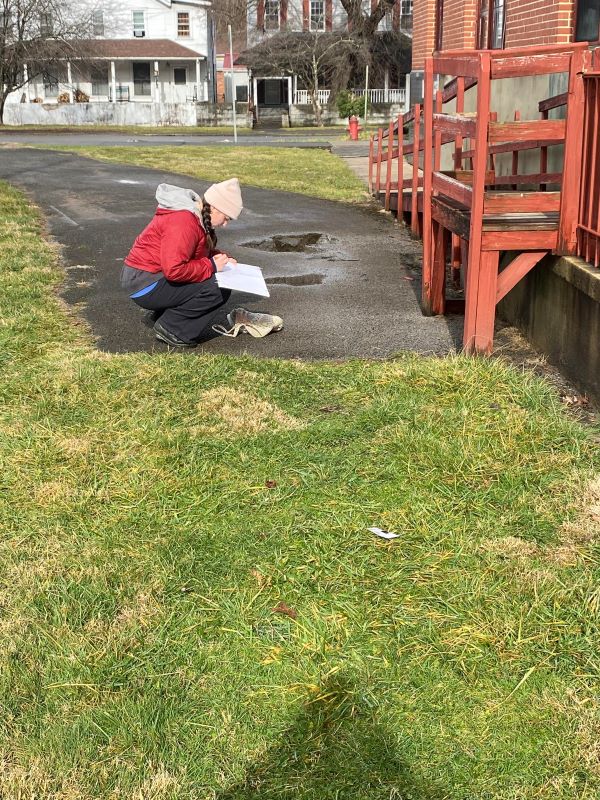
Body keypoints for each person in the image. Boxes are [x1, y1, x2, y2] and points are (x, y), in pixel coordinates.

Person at [121, 179, 242, 348]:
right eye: (226, 217)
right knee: (217, 287)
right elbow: (175, 270)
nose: (225, 224)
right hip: (144, 283)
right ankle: (173, 329)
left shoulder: (194, 218)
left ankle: (164, 315)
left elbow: (194, 252)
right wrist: (212, 266)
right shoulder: (184, 221)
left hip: (146, 278)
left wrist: (221, 257)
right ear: (214, 207)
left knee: (216, 280)